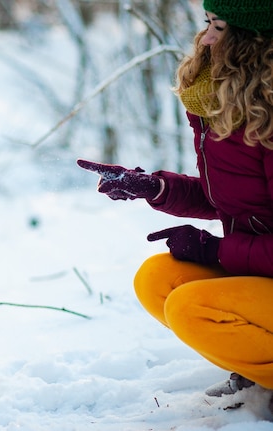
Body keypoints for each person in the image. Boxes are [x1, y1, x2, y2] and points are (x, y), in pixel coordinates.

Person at [77, 0, 273, 415]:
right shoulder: (227, 106)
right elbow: (229, 198)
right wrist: (154, 187)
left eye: (220, 27)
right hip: (261, 269)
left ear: (254, 42)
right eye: (207, 23)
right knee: (157, 280)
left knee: (190, 307)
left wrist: (214, 251)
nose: (206, 38)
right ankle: (256, 371)